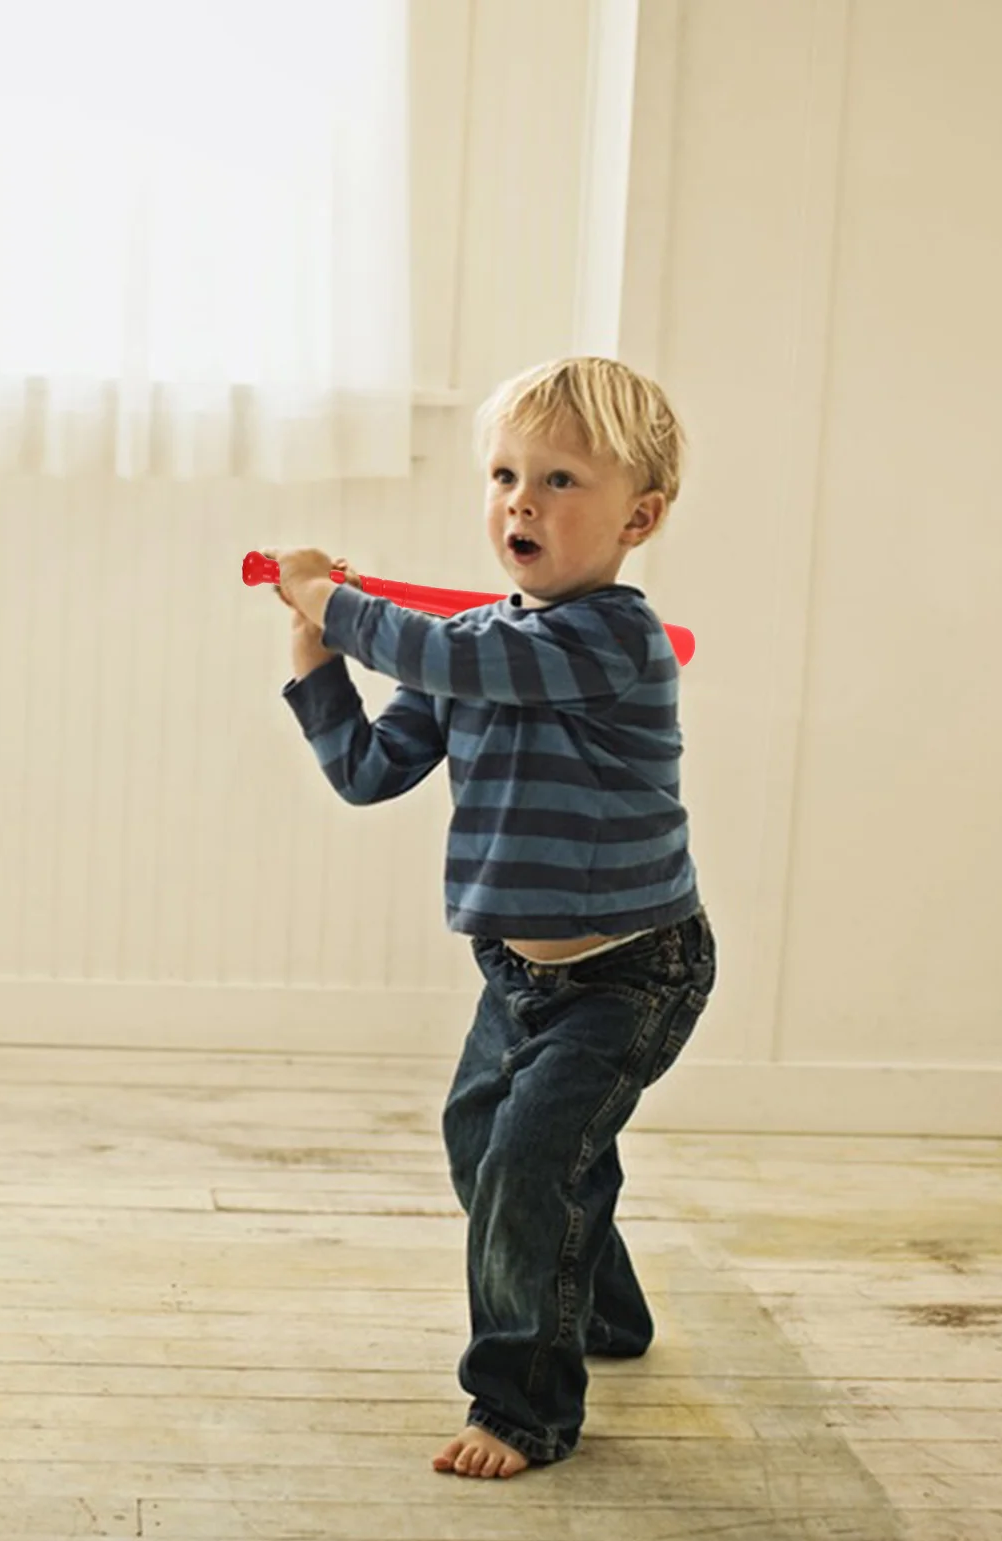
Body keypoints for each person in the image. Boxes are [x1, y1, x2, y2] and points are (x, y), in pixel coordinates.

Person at [266, 355, 716, 1479]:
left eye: (561, 480)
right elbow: (369, 770)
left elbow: (446, 648)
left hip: (632, 970)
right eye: (506, 474)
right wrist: (315, 654)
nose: (521, 499)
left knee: (529, 1162)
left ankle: (522, 1408)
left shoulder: (608, 638)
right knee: (492, 1149)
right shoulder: (476, 650)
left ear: (638, 519)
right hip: (519, 976)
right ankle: (599, 1311)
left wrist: (334, 598)